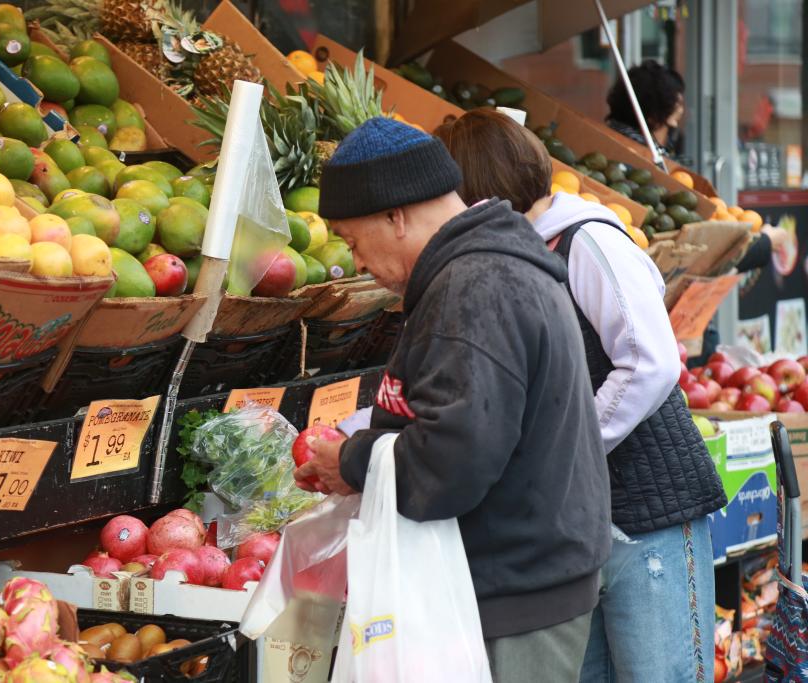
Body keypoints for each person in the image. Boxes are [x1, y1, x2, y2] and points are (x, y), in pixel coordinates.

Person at [293, 116, 611, 681]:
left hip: (512, 597)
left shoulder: (475, 287)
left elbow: (454, 460)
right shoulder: (481, 270)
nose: (357, 262)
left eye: (353, 241)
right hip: (515, 580)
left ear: (395, 216)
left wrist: (352, 462)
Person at [436, 108, 727, 683]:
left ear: (476, 187)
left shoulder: (588, 241)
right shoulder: (512, 255)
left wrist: (571, 446)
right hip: (577, 527)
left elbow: (651, 361)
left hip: (647, 513)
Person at [607, 61, 790, 364]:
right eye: (672, 122)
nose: (675, 130)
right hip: (662, 327)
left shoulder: (610, 150)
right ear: (654, 118)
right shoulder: (648, 173)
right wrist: (765, 243)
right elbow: (704, 247)